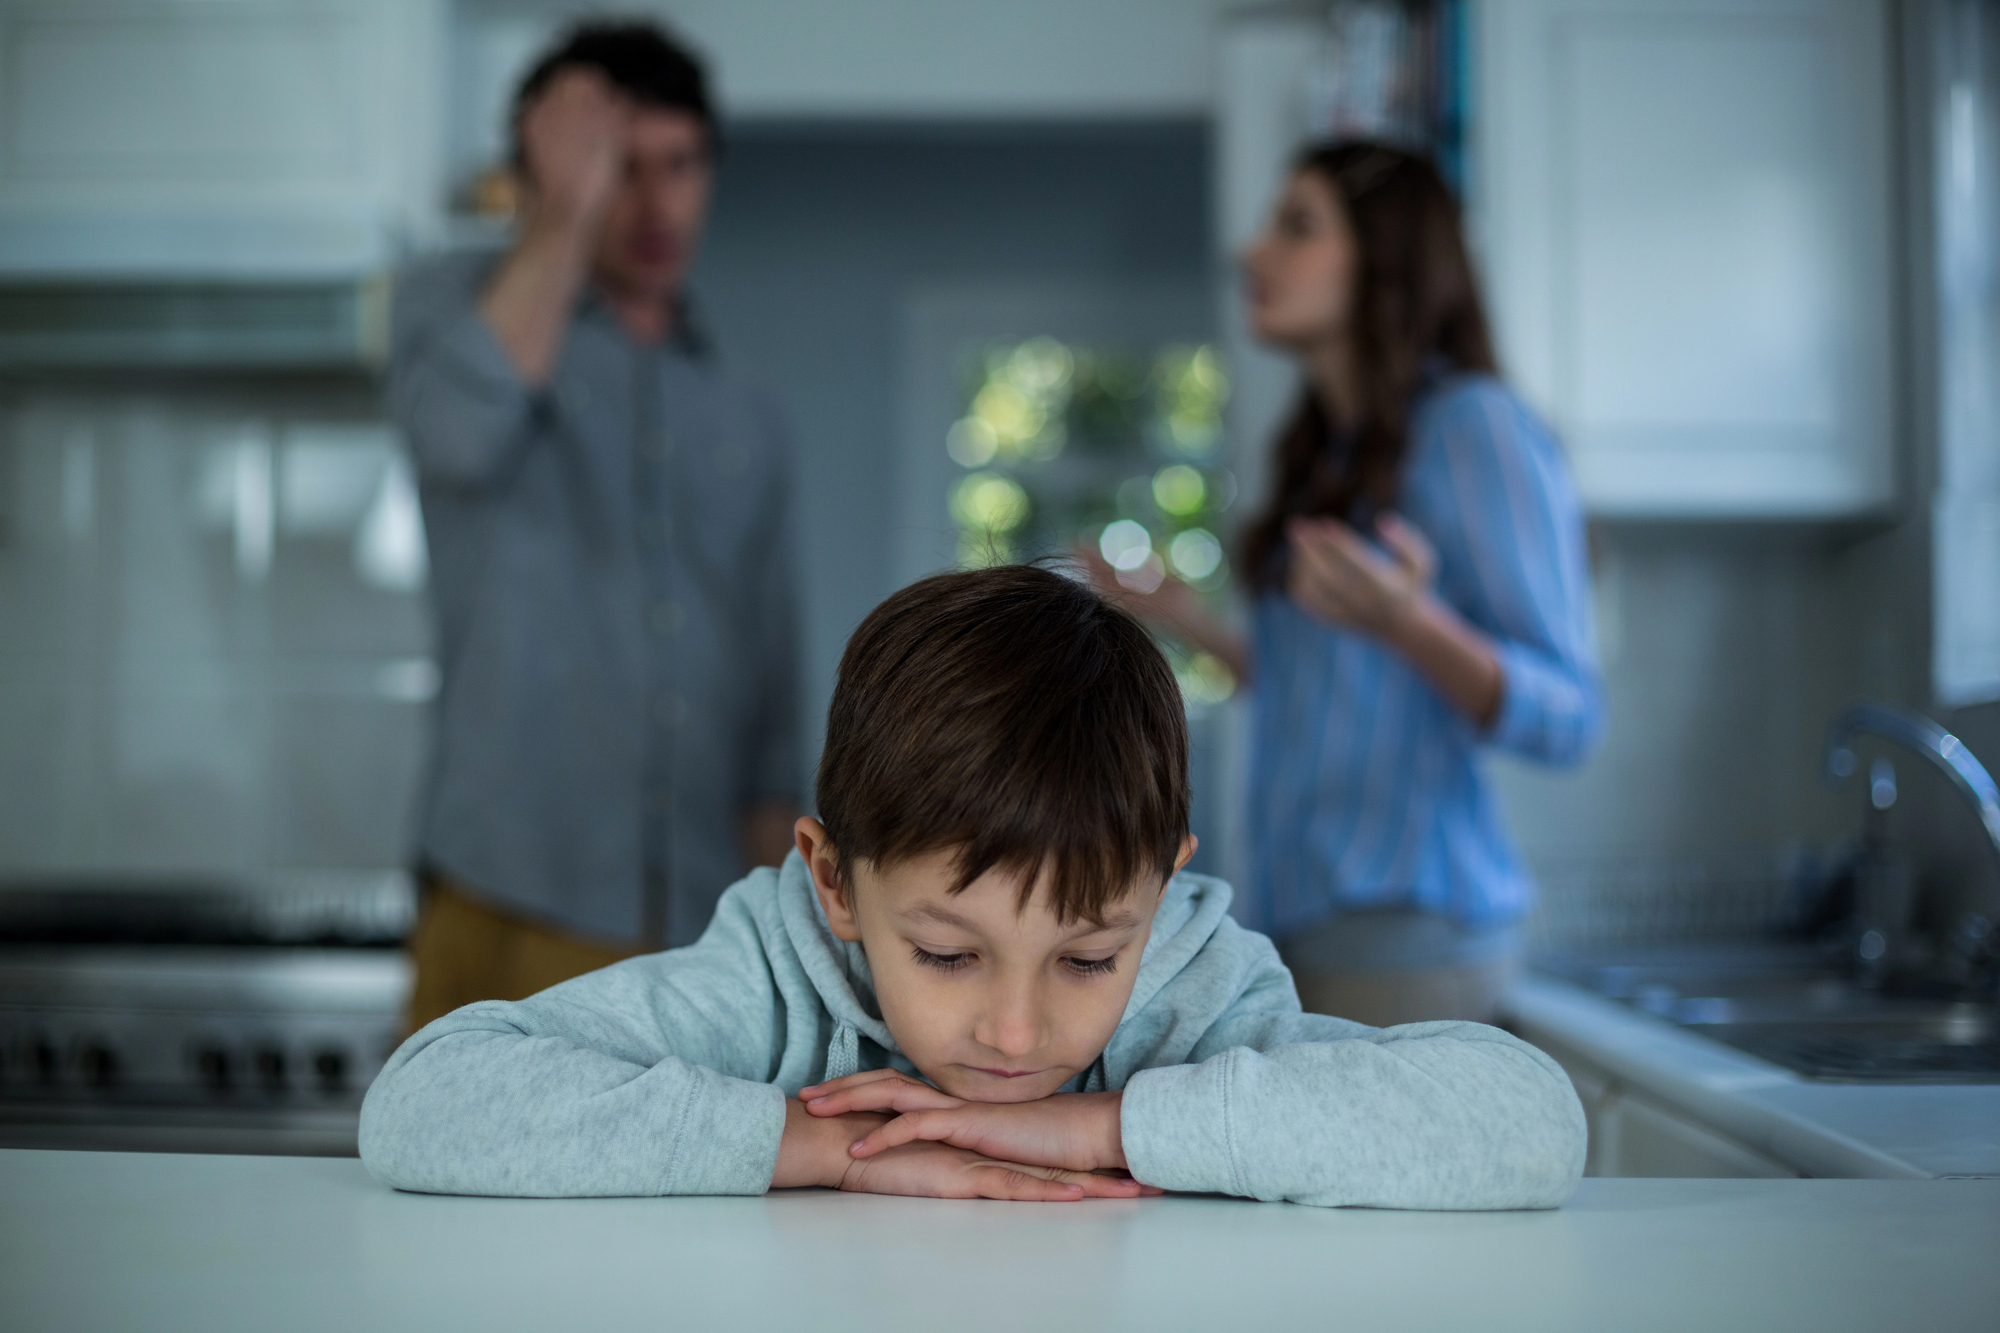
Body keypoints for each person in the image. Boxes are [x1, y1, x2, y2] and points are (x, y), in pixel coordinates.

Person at [358, 564, 1585, 1208]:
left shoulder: (1195, 993)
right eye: (946, 953)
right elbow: (425, 1100)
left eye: (1088, 957)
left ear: (1159, 895)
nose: (1014, 1031)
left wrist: (1101, 1127)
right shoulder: (773, 978)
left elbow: (1529, 1126)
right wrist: (825, 1150)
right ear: (833, 882)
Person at [1087, 144, 1600, 1028]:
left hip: (1413, 943)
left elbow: (1570, 717)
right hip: (1303, 933)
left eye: (1297, 226)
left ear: (1386, 255)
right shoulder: (1327, 452)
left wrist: (1409, 624)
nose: (1253, 254)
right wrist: (1180, 617)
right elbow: (1328, 698)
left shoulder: (1473, 427)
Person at [387, 22, 800, 1032]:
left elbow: (770, 687)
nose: (655, 204)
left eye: (680, 165)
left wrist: (784, 935)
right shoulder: (455, 308)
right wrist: (559, 214)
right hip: (506, 887)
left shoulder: (745, 407)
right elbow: (457, 436)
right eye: (620, 169)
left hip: (699, 917)